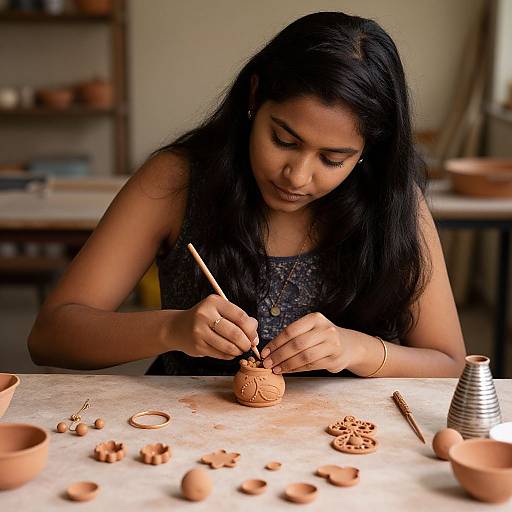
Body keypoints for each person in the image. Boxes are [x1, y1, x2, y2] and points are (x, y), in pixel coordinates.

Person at [28, 11, 466, 377]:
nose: (297, 176)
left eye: (333, 160)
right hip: (189, 437)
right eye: (284, 140)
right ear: (255, 95)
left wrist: (359, 351)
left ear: (370, 149)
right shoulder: (178, 180)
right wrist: (171, 329)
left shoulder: (394, 203)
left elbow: (450, 364)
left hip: (339, 444)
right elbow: (51, 336)